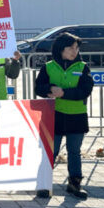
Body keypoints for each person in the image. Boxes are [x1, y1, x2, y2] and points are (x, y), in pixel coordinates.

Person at [35, 33, 93, 199]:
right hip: (54, 115)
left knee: (74, 151)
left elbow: (86, 90)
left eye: (76, 48)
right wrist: (50, 89)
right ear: (61, 49)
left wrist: (63, 93)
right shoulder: (48, 67)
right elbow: (38, 88)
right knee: (50, 151)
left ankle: (74, 184)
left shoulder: (83, 67)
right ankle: (44, 184)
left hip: (76, 115)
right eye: (70, 48)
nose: (74, 51)